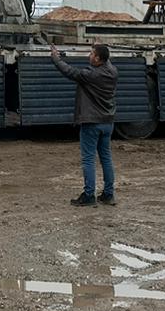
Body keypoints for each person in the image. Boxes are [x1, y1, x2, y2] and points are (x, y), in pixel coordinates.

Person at [50, 43, 118, 207]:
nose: (89, 55)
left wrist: (55, 58)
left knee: (88, 160)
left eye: (92, 53)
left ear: (98, 59)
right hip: (107, 122)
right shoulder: (113, 71)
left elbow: (69, 71)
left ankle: (89, 196)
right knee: (106, 159)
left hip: (91, 123)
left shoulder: (91, 75)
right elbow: (106, 60)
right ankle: (108, 195)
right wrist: (100, 46)